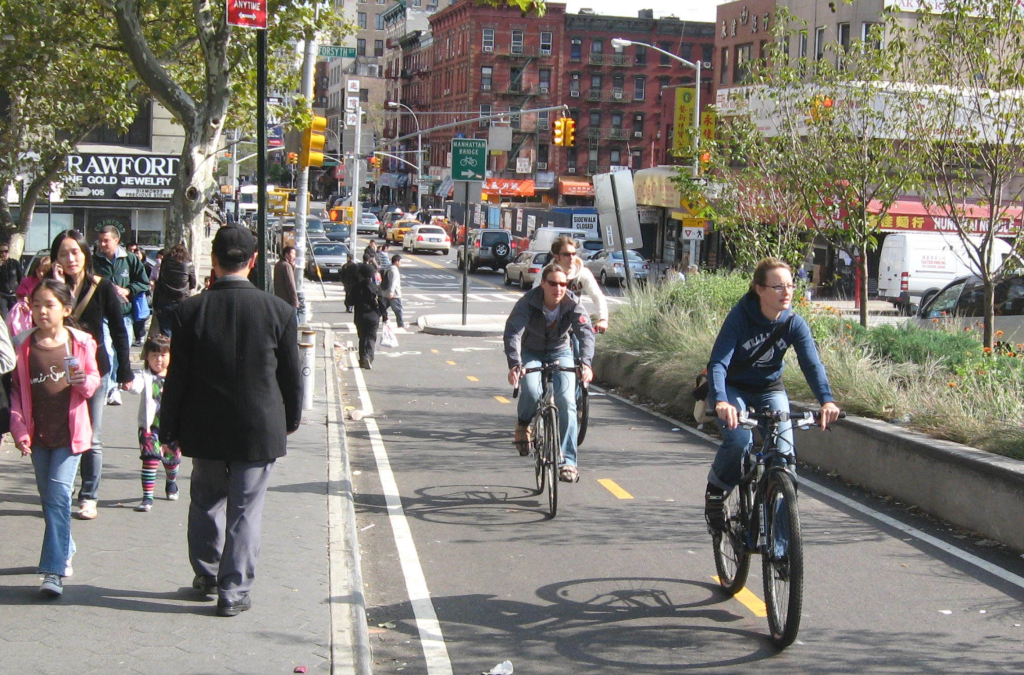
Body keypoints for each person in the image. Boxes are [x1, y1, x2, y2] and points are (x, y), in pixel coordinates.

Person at [161, 225, 302, 618]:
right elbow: (291, 376)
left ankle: (207, 574)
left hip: (204, 425)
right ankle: (233, 589)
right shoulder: (279, 311)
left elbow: (177, 377)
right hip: (259, 426)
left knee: (206, 499)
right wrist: (291, 419)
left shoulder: (190, 310)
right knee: (245, 508)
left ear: (215, 261)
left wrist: (167, 426)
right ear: (253, 262)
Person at [703, 258, 841, 530]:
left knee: (785, 457)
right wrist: (720, 400)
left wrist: (827, 400)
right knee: (740, 441)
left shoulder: (794, 323)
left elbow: (812, 364)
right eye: (777, 286)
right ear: (759, 289)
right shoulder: (740, 316)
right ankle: (717, 492)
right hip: (734, 387)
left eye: (790, 285)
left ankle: (779, 544)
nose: (786, 292)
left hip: (769, 389)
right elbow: (718, 363)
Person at [11, 280, 100, 597]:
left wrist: (83, 382)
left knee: (60, 496)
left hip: (70, 435)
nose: (41, 311)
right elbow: (17, 395)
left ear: (65, 309)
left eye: (48, 305)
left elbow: (92, 381)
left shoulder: (80, 342)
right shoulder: (22, 344)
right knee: (49, 500)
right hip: (38, 437)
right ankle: (66, 544)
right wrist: (19, 430)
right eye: (36, 305)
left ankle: (52, 571)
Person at [49, 230, 133, 521]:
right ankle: (62, 490)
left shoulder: (102, 286)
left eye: (75, 252)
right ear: (55, 258)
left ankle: (89, 496)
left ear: (86, 253)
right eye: (63, 253)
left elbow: (120, 331)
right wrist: (57, 288)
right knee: (64, 433)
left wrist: (125, 370)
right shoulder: (51, 288)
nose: (70, 259)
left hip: (93, 369)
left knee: (92, 436)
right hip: (56, 369)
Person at [504, 263, 595, 483]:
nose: (559, 288)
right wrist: (515, 364)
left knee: (566, 400)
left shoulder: (572, 303)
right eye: (553, 283)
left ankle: (569, 463)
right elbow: (513, 333)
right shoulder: (528, 301)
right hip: (531, 351)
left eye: (563, 284)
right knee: (532, 391)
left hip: (560, 351)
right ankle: (524, 424)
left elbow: (585, 334)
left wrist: (586, 364)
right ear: (543, 283)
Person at [93, 226, 149, 405]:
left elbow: (143, 282)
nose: (102, 244)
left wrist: (128, 290)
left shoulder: (130, 259)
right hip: (103, 315)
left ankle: (115, 387)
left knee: (120, 353)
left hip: (124, 315)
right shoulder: (94, 261)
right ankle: (108, 388)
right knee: (107, 351)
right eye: (100, 240)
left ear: (116, 241)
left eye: (106, 240)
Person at [126, 335, 181, 512]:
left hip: (172, 427)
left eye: (164, 355)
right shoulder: (144, 376)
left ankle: (171, 482)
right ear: (147, 357)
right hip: (150, 427)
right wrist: (128, 384)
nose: (159, 360)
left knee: (172, 461)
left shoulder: (177, 377)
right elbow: (136, 386)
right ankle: (147, 497)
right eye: (154, 355)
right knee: (150, 460)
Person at [532, 236, 609, 334]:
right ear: (556, 257)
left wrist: (603, 319)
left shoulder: (583, 273)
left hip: (573, 320)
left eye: (574, 253)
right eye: (567, 254)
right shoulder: (546, 273)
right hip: (551, 322)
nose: (572, 258)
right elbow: (534, 296)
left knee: (584, 342)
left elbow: (597, 296)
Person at [152, 244, 196, 337]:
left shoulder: (165, 262)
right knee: (180, 332)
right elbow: (193, 283)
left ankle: (168, 348)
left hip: (164, 301)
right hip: (181, 301)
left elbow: (160, 281)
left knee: (165, 331)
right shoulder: (188, 264)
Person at [351, 259, 383, 370]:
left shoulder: (355, 288)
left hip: (360, 315)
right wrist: (384, 316)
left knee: (362, 337)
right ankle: (369, 356)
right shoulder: (375, 288)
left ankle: (362, 358)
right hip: (373, 315)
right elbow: (382, 303)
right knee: (371, 337)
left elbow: (349, 302)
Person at [380, 254, 404, 328]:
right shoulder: (394, 270)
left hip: (384, 292)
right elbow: (393, 282)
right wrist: (391, 292)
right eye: (400, 261)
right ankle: (400, 324)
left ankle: (376, 319)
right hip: (394, 294)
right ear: (397, 262)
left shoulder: (388, 268)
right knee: (398, 309)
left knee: (382, 308)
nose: (401, 263)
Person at [0, 243, 24, 317]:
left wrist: (21, 292)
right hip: (2, 294)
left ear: (9, 252)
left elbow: (21, 277)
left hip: (14, 294)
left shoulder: (14, 263)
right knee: (3, 315)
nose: (4, 254)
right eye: (1, 252)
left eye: (6, 251)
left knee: (13, 315)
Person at [273, 246, 299, 312]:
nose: (294, 257)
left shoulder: (278, 264)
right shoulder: (286, 266)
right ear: (286, 254)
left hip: (279, 299)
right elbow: (291, 284)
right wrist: (295, 301)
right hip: (287, 301)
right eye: (293, 254)